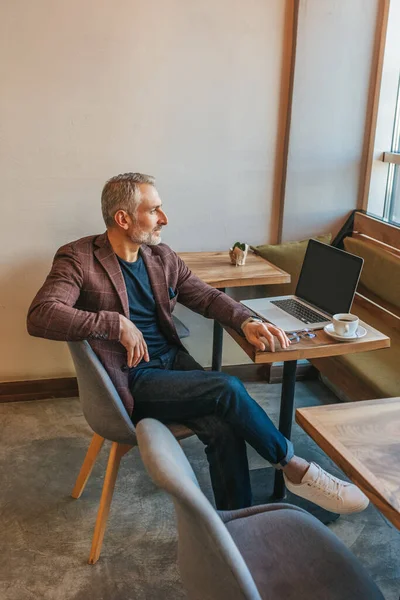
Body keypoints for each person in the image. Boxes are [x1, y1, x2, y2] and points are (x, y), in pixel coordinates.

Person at [27, 172, 368, 514]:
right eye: (154, 210)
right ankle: (295, 468)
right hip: (131, 379)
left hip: (172, 363)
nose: (165, 218)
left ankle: (237, 522)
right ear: (123, 218)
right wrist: (113, 323)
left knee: (224, 425)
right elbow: (41, 314)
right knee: (227, 389)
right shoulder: (79, 258)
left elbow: (203, 295)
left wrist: (244, 319)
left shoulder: (159, 256)